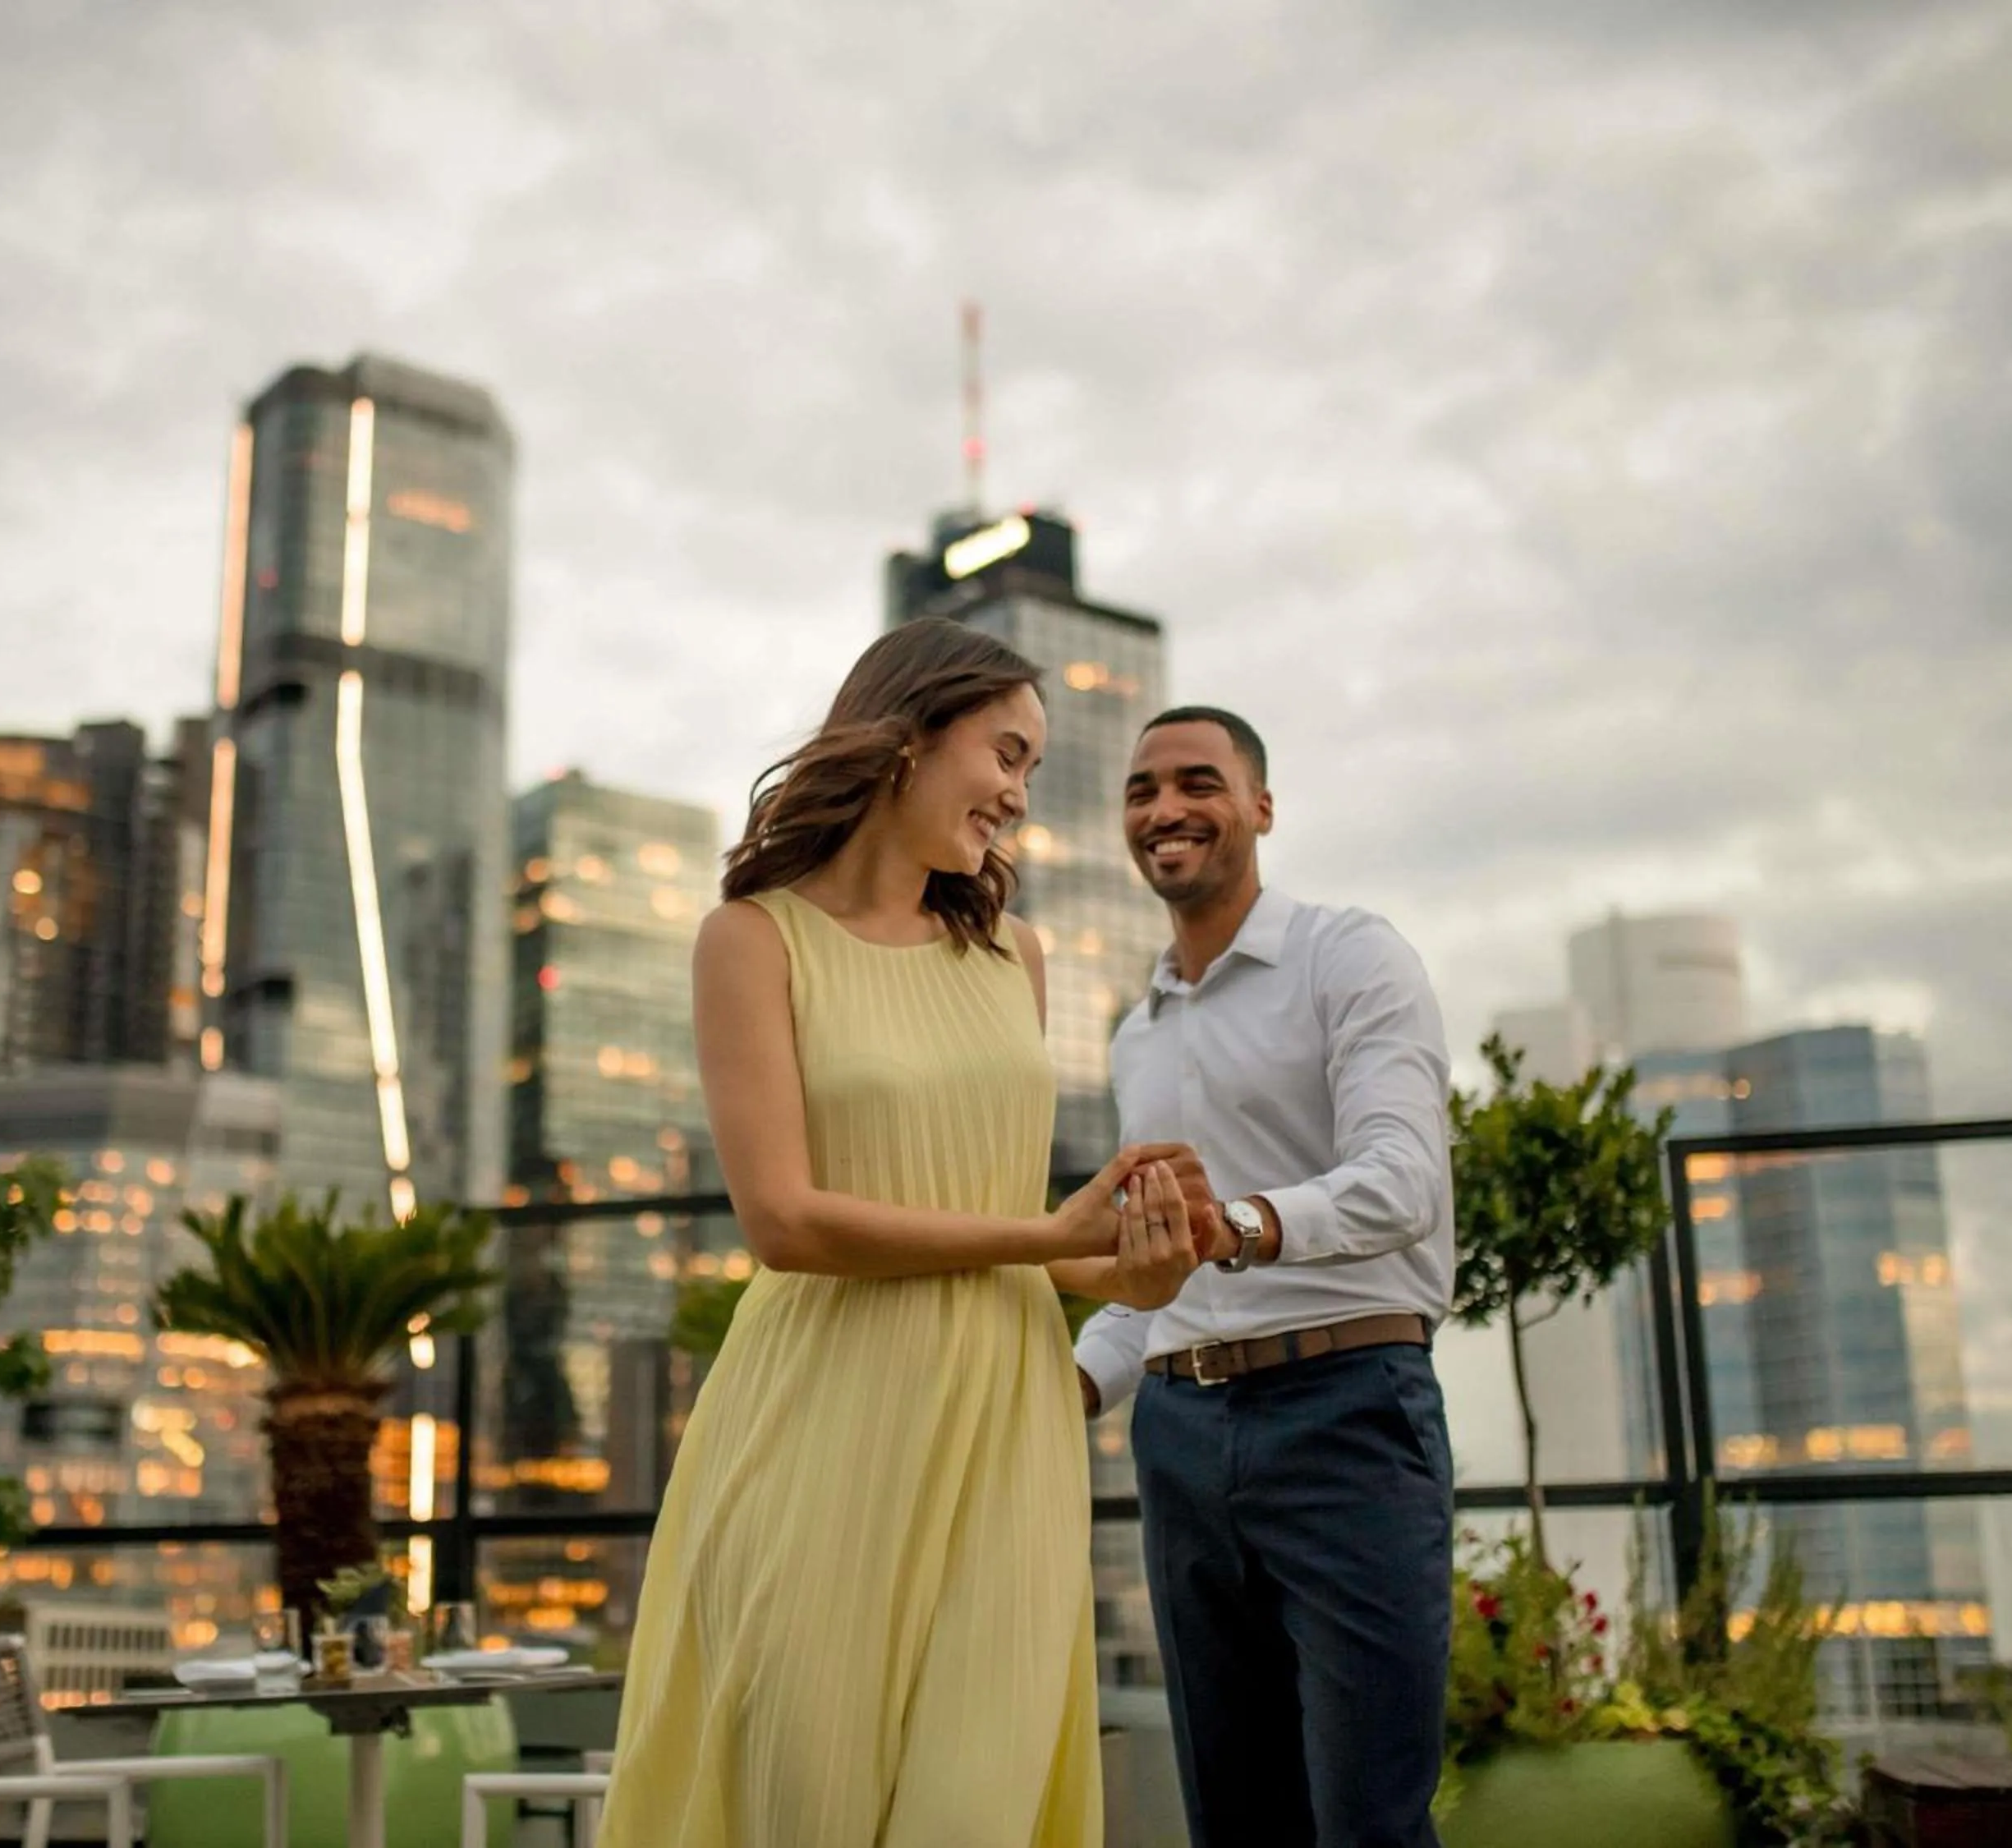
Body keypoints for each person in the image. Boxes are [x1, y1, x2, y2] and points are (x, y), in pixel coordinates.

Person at [598, 620, 1201, 1848]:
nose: (1018, 798)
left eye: (1031, 772)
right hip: (825, 1414)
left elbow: (1029, 1241)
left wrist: (1131, 1262)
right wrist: (1045, 1232)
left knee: (975, 1803)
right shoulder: (753, 937)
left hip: (1004, 1424)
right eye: (1007, 754)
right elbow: (786, 1219)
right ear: (911, 734)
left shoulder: (1014, 957)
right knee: (807, 1794)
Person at [1073, 706, 1457, 1848]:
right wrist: (1066, 1386)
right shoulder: (1134, 1033)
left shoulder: (1352, 956)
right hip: (1183, 1435)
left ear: (1261, 807)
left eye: (1199, 781)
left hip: (1347, 1415)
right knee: (1235, 1820)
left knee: (1368, 1822)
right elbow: (1157, 1282)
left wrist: (1234, 1223)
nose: (1165, 809)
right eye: (1142, 790)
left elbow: (1402, 1181)